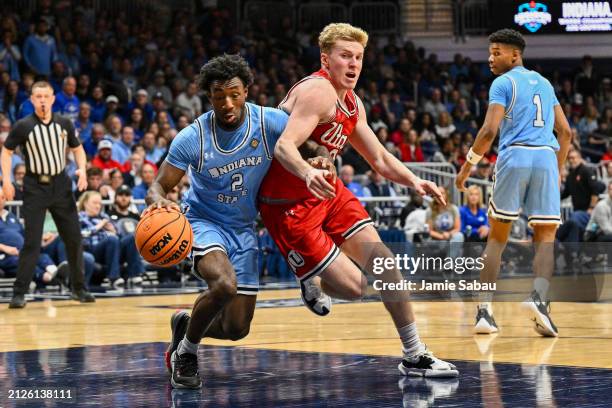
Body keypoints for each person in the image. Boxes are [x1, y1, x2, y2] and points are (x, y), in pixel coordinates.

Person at [258, 23, 458, 378]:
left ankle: (414, 353)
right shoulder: (318, 91)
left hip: (328, 192)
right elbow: (284, 146)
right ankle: (307, 273)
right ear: (326, 59)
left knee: (384, 264)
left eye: (359, 58)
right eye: (345, 56)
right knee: (355, 288)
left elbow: (379, 159)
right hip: (288, 203)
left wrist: (415, 180)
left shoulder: (351, 102)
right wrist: (308, 173)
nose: (353, 64)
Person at [143, 54, 332, 389]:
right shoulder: (193, 136)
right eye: (218, 95)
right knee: (224, 286)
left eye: (234, 93)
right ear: (209, 96)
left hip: (243, 229)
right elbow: (159, 184)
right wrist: (158, 201)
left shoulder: (269, 121)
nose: (227, 103)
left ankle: (186, 324)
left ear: (246, 90)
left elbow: (316, 143)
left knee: (236, 329)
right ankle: (186, 353)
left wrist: (320, 157)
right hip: (203, 223)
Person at [456, 29, 572, 337]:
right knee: (546, 238)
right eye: (490, 52)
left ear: (515, 55)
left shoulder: (502, 83)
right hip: (546, 157)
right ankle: (540, 301)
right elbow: (567, 133)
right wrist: (556, 170)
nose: (490, 58)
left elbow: (488, 132)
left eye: (496, 52)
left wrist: (466, 169)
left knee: (497, 238)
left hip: (515, 156)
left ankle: (484, 312)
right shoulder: (546, 84)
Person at [1, 81, 95, 308]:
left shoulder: (64, 123)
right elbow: (6, 151)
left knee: (73, 238)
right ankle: (19, 292)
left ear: (53, 99)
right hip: (34, 186)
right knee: (31, 241)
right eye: (38, 96)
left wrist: (81, 169)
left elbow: (77, 148)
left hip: (61, 185)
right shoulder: (23, 125)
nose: (42, 100)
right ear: (32, 100)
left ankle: (79, 288)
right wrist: (6, 180)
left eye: (46, 96)